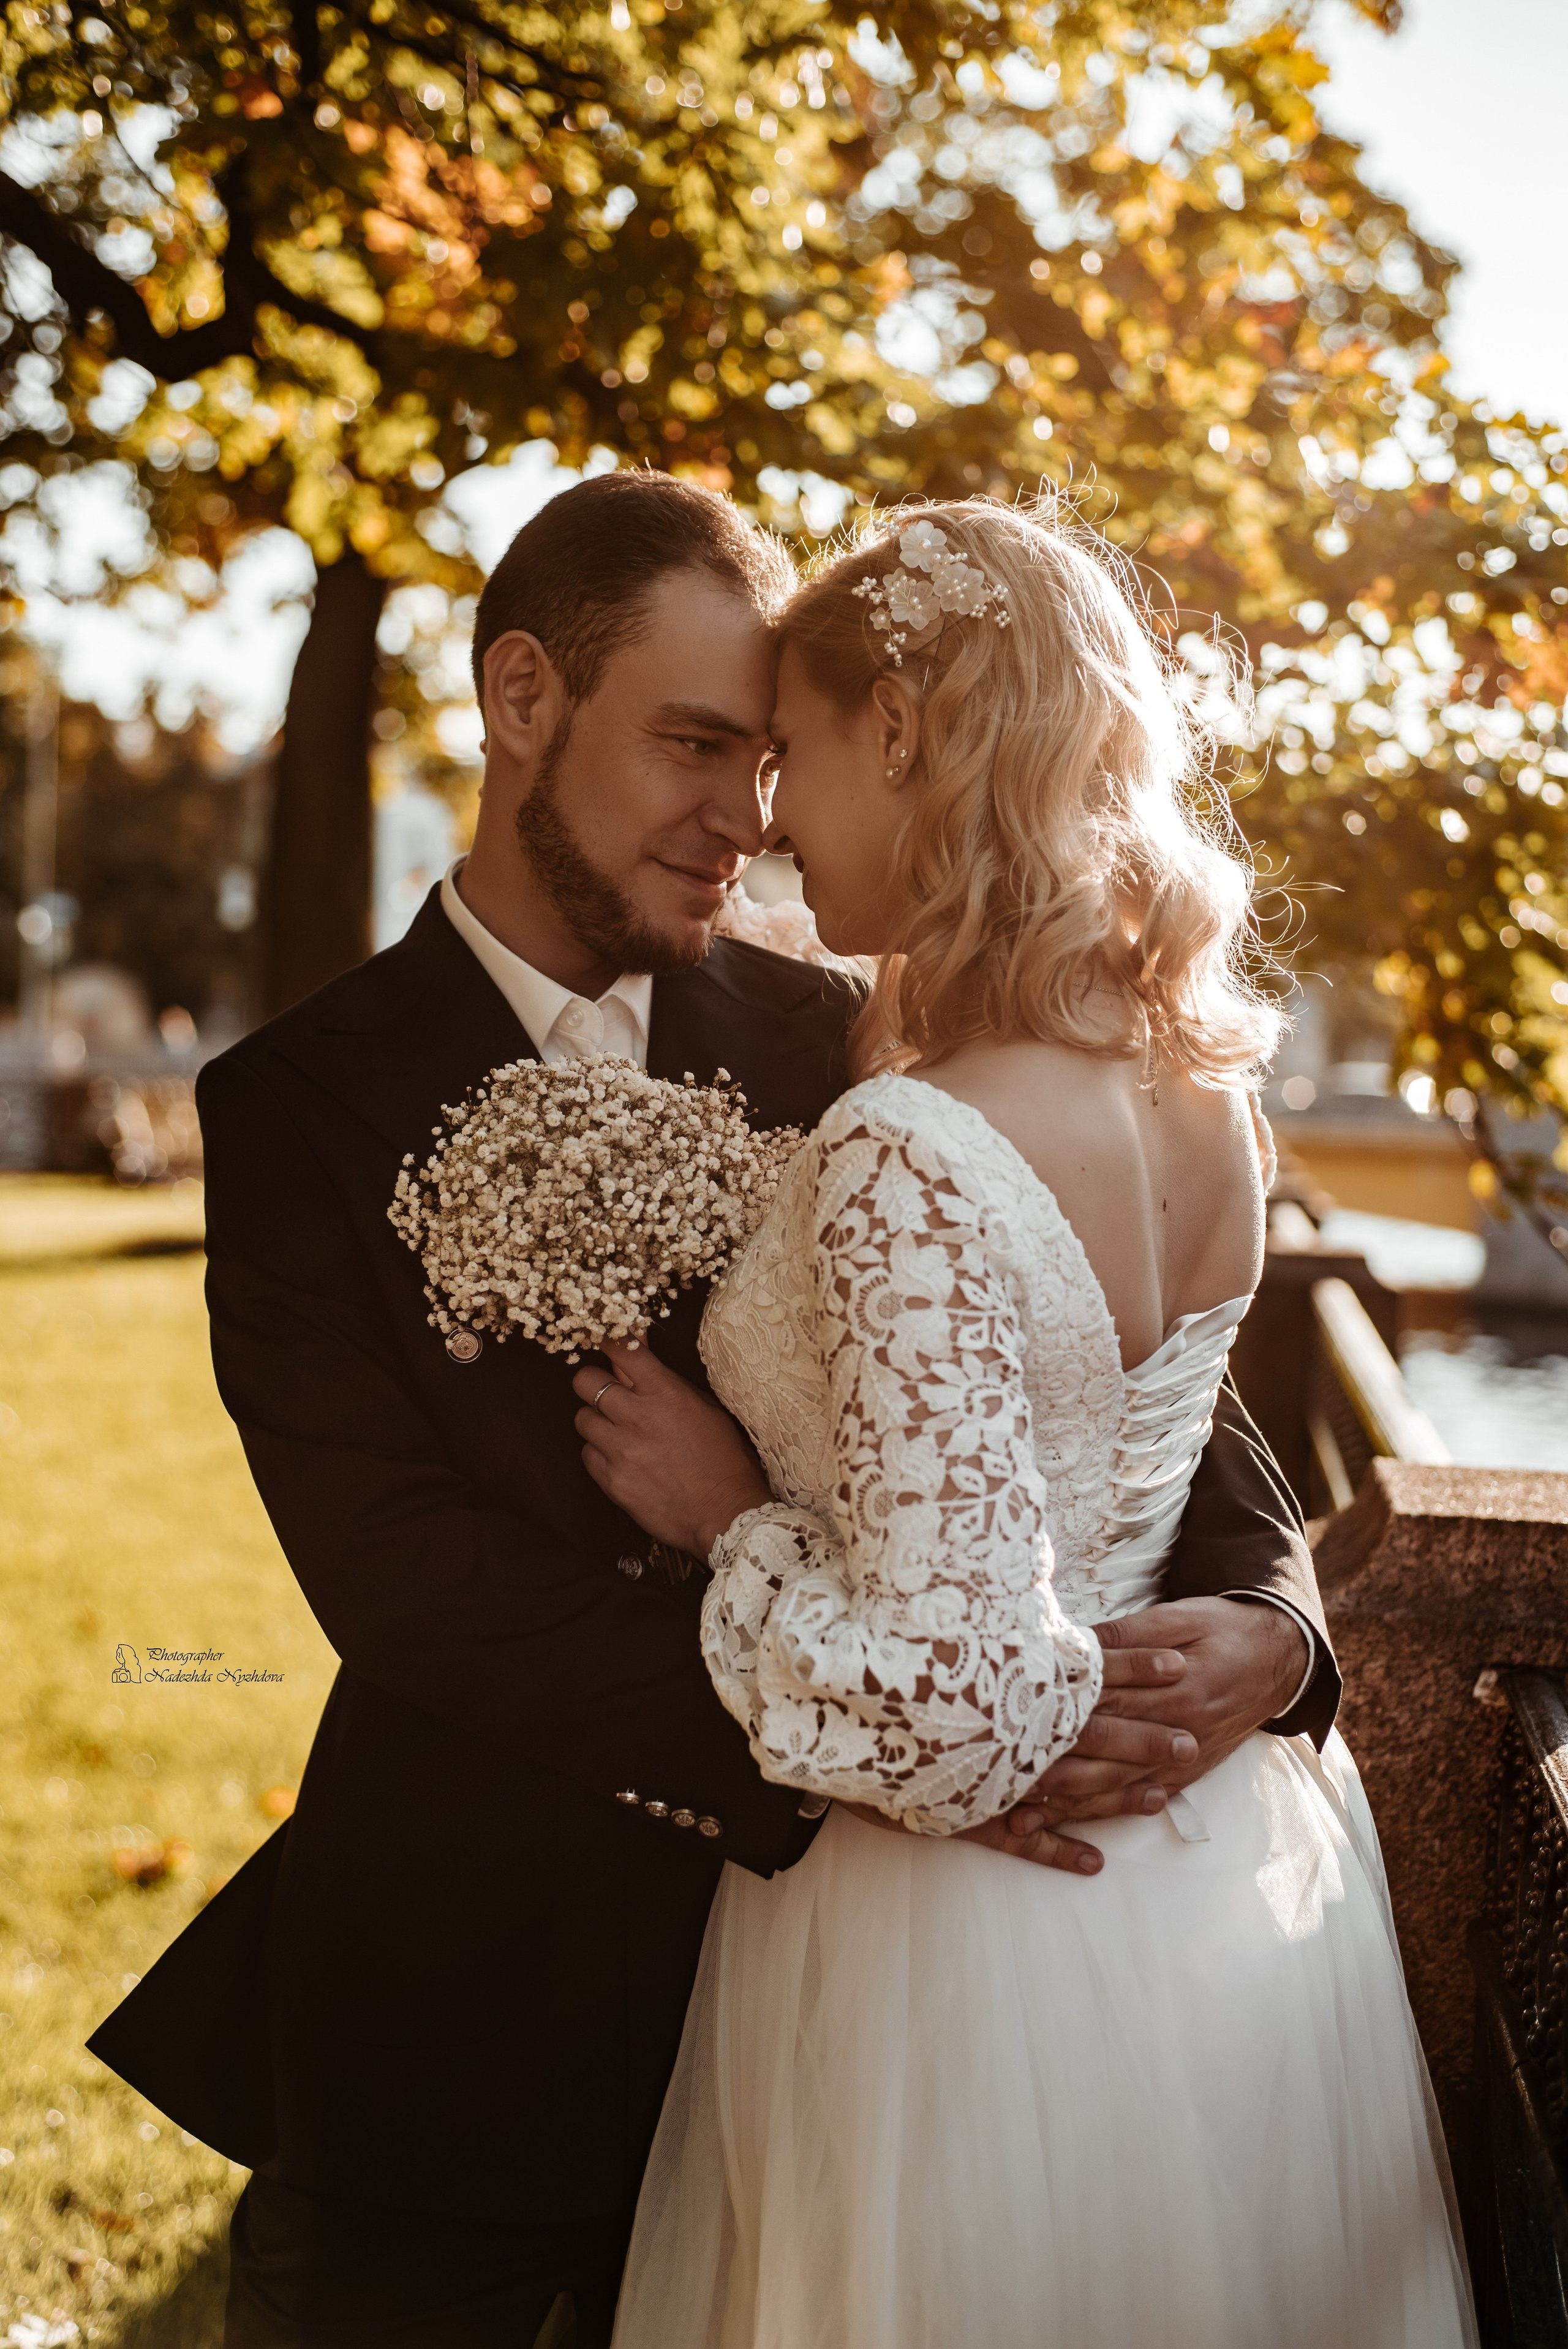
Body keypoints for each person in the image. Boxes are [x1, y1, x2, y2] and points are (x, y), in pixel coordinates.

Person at [90, 472, 1333, 2349]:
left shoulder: (861, 1023)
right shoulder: (300, 1103)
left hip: (842, 2031)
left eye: (771, 758)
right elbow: (402, 1576)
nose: (748, 817)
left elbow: (1117, 1348)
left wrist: (1272, 1614)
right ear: (522, 699)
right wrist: (904, 1739)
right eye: (692, 747)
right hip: (466, 2004)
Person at [575, 499, 1476, 2349]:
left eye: (795, 753)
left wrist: (728, 1514)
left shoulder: (910, 1144)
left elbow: (955, 1700)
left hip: (959, 1950)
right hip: (1211, 1883)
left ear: (899, 730)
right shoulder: (1203, 1090)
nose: (767, 818)